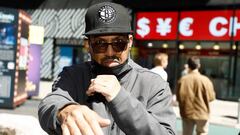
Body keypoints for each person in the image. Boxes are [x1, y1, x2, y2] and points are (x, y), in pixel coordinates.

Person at [38, 2, 176, 135]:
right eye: (100, 44)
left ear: (130, 42)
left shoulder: (154, 84)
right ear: (89, 45)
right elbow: (50, 103)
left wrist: (120, 97)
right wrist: (64, 110)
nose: (110, 52)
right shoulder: (73, 75)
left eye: (119, 43)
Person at [176, 56, 216, 135]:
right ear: (199, 65)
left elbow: (178, 97)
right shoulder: (206, 80)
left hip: (187, 112)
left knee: (187, 133)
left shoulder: (182, 80)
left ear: (188, 65)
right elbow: (211, 97)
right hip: (202, 113)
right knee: (202, 133)